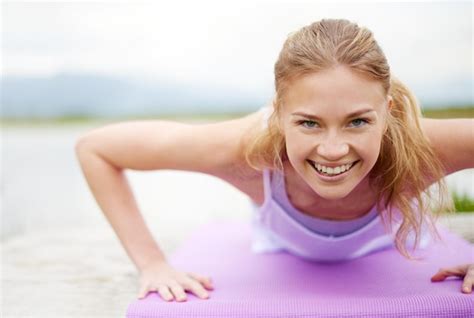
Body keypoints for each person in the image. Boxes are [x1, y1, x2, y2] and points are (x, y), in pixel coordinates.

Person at [75, 18, 474, 302]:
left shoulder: (422, 147)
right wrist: (152, 264)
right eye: (309, 123)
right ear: (279, 113)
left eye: (357, 121)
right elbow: (97, 148)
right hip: (280, 245)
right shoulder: (243, 153)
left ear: (386, 111)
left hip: (394, 241)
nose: (333, 149)